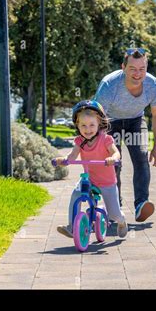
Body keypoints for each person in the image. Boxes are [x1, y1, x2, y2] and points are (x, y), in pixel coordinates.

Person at [94, 47, 156, 222]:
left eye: (142, 69)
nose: (137, 74)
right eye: (132, 69)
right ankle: (114, 207)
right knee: (114, 164)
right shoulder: (109, 85)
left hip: (135, 120)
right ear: (123, 67)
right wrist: (98, 146)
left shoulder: (153, 85)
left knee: (141, 158)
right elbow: (97, 117)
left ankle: (141, 204)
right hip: (109, 121)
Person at [56, 100, 128, 238]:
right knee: (76, 195)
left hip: (107, 182)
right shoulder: (79, 141)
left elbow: (116, 152)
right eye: (83, 125)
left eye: (91, 125)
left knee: (114, 214)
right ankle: (72, 227)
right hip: (89, 180)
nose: (87, 129)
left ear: (99, 123)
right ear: (77, 125)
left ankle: (122, 221)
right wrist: (64, 160)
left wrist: (113, 158)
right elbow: (72, 156)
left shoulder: (106, 139)